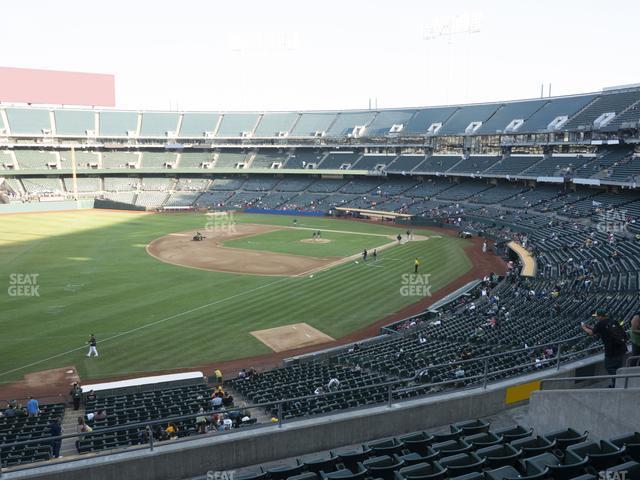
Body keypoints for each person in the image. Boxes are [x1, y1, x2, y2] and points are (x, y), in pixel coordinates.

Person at [581, 308, 628, 387]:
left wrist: (584, 327)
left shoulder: (600, 324)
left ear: (600, 316)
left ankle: (619, 381)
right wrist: (589, 326)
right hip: (621, 347)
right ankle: (616, 384)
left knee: (609, 366)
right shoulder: (613, 321)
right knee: (618, 367)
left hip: (611, 350)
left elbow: (591, 333)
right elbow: (599, 330)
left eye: (597, 316)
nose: (596, 318)